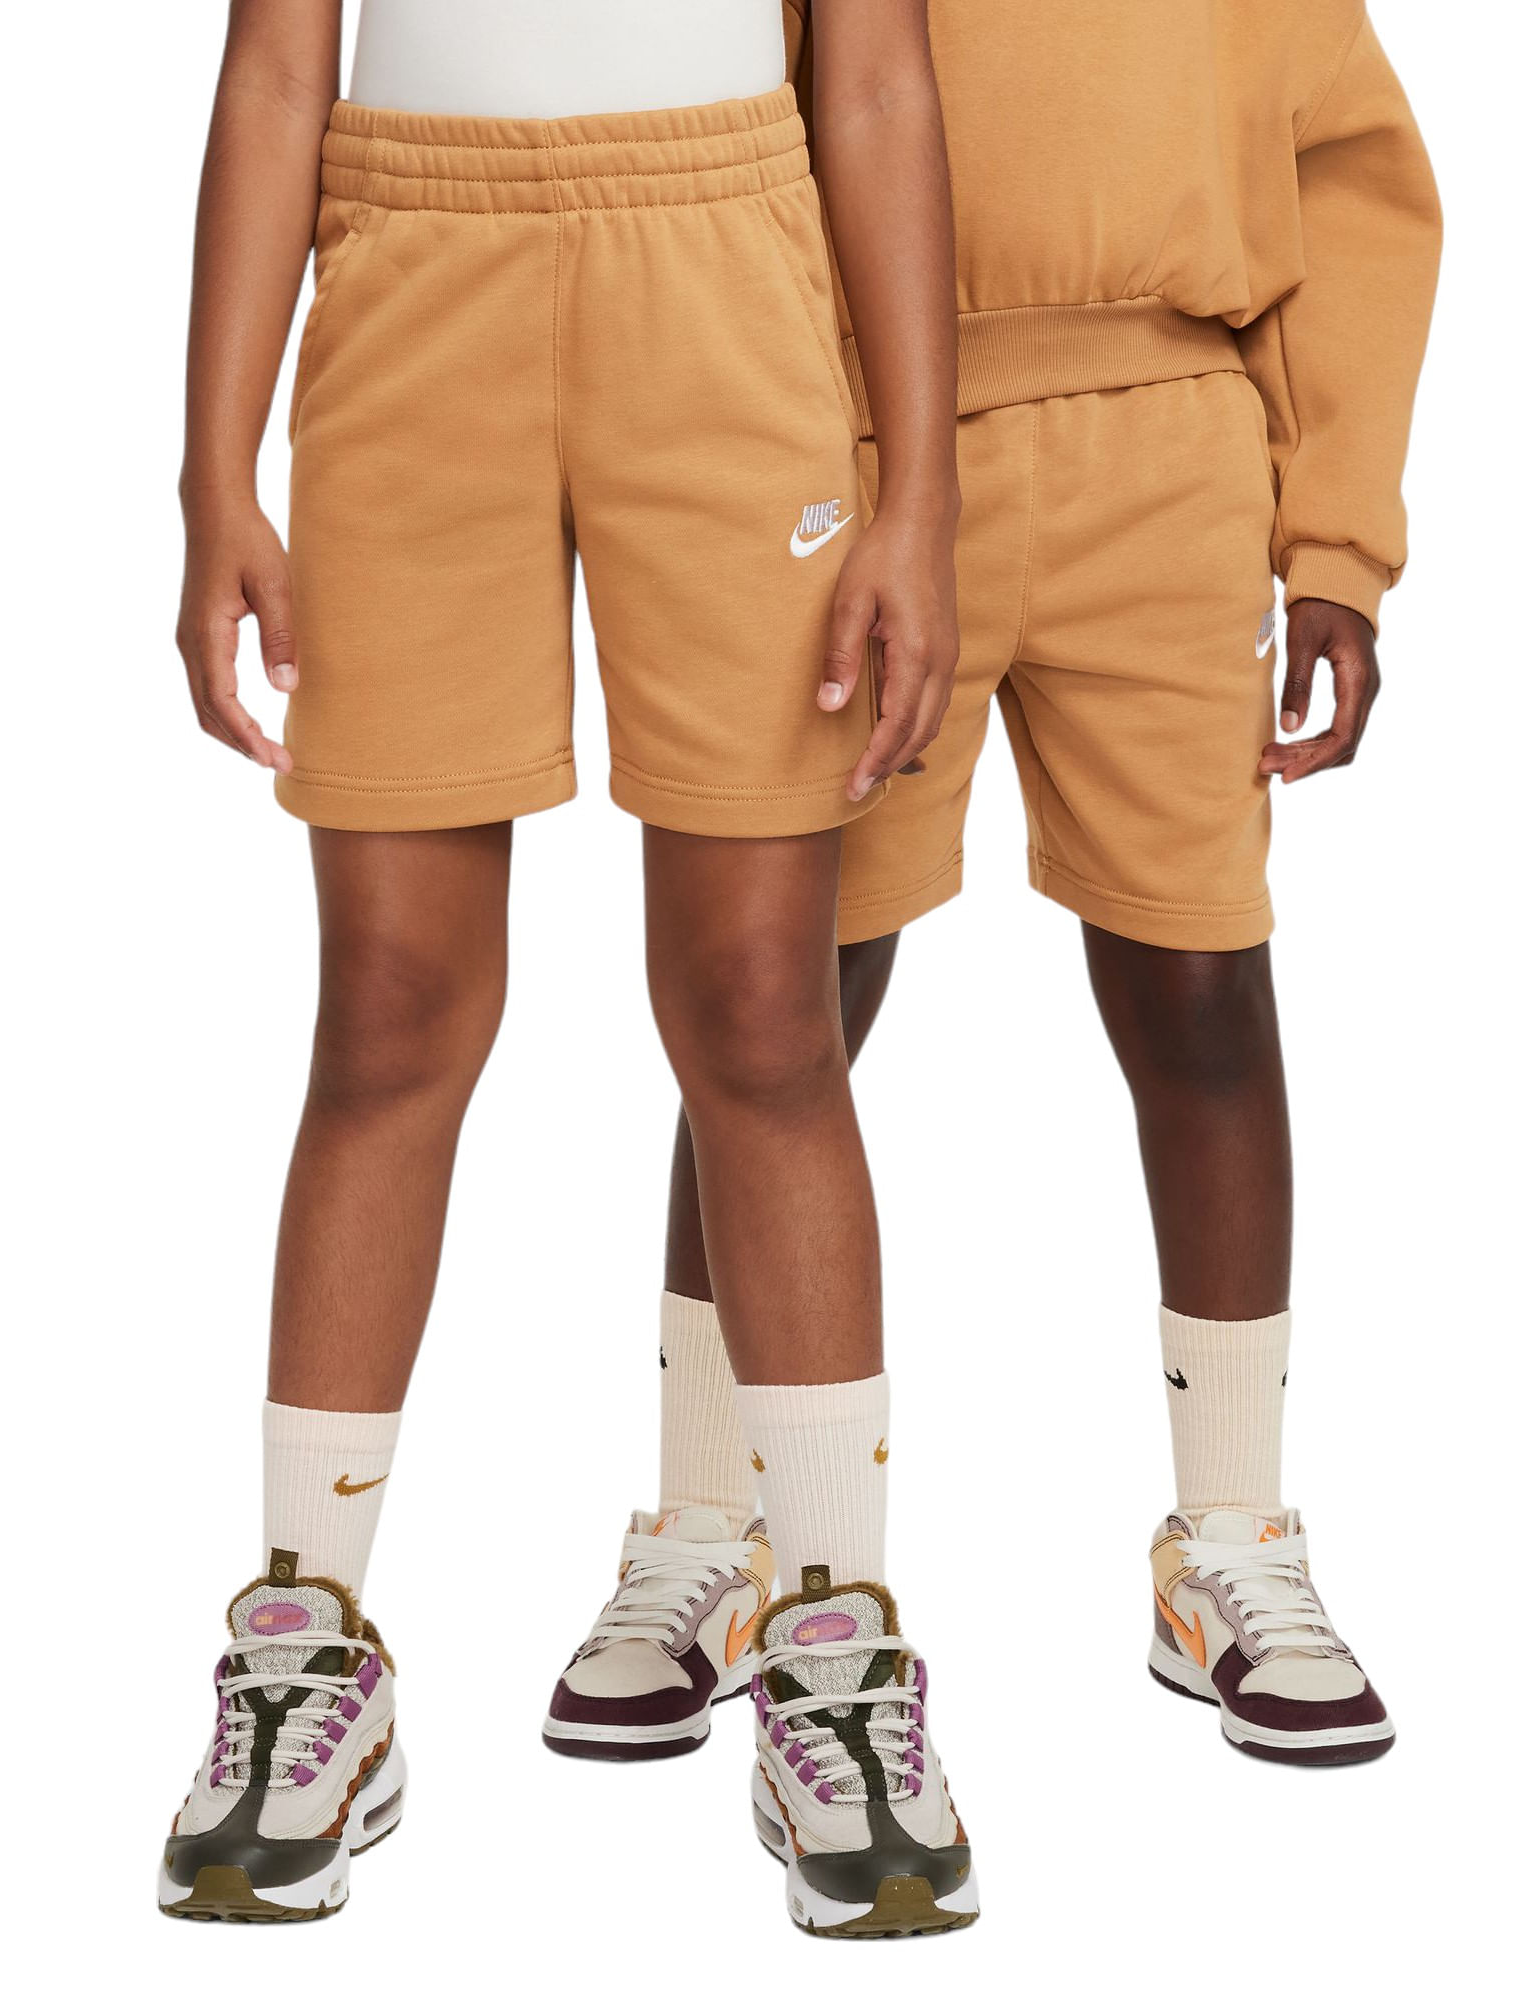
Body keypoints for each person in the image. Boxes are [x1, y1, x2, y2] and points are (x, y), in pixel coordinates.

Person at [159, 0, 972, 1932]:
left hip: (725, 260)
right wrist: (213, 475)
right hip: (411, 273)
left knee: (762, 1009)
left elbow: (876, 74)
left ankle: (834, 1641)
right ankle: (308, 1649)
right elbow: (276, 64)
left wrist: (922, 496)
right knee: (390, 1009)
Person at [566, 0, 1441, 1784]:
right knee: (787, 994)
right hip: (862, 443)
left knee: (1201, 979)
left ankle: (1232, 1537)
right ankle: (712, 1522)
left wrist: (1338, 546)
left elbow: (1354, 176)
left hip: (1175, 442)